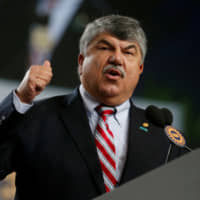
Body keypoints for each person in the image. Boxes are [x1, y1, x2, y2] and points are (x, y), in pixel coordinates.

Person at [0, 15, 187, 200]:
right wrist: (21, 98)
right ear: (81, 62)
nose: (117, 58)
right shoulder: (36, 117)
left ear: (139, 69)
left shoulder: (164, 138)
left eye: (128, 52)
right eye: (105, 48)